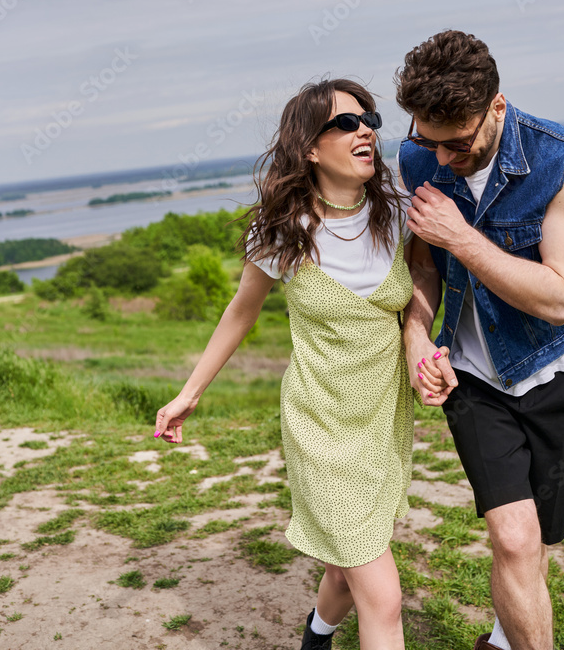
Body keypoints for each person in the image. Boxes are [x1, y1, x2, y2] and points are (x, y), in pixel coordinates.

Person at [154, 78, 453, 650]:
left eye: (369, 119)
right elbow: (240, 314)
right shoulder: (284, 232)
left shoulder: (396, 216)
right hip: (321, 426)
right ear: (310, 149)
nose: (364, 128)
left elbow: (423, 280)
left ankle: (315, 638)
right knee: (382, 596)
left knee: (348, 563)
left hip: (382, 423)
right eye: (345, 122)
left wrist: (423, 344)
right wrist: (190, 391)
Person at [395, 30, 564, 650]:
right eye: (424, 141)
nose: (438, 160)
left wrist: (461, 238)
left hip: (558, 369)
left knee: (537, 540)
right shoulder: (419, 158)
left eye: (456, 144)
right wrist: (415, 335)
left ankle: (504, 636)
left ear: (497, 106)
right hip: (473, 379)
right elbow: (424, 266)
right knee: (513, 538)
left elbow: (562, 295)